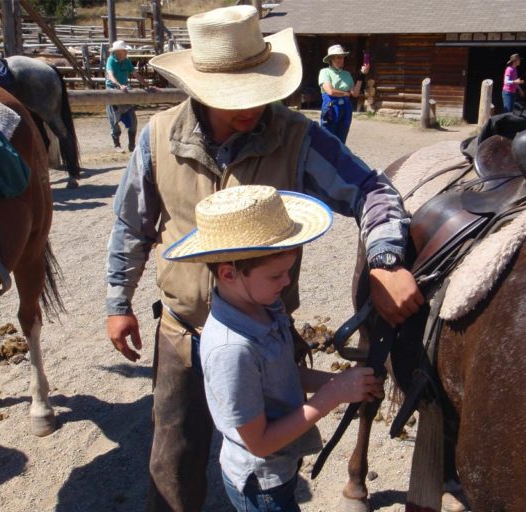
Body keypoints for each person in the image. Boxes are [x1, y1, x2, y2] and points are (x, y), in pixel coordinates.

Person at [105, 5, 422, 511]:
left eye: (257, 90)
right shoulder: (158, 137)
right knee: (173, 460)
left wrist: (384, 259)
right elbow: (132, 225)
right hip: (182, 330)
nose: (250, 108)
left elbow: (371, 189)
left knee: (272, 459)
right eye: (234, 97)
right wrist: (118, 300)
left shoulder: (296, 136)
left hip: (266, 332)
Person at [164, 185, 385, 511]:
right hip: (261, 484)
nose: (286, 282)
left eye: (289, 272)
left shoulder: (264, 306)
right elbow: (260, 442)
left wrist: (337, 381)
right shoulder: (231, 351)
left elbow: (280, 374)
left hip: (280, 466)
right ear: (229, 274)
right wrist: (334, 394)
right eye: (276, 275)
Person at [318, 44, 369, 144]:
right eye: (338, 57)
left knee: (341, 140)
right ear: (331, 59)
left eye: (342, 57)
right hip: (331, 108)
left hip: (346, 109)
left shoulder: (347, 74)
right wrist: (345, 94)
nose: (341, 59)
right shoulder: (325, 72)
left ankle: (338, 159)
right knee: (327, 138)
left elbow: (355, 93)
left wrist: (362, 75)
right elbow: (330, 91)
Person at [105, 40, 146, 153]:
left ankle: (132, 145)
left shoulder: (127, 62)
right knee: (114, 120)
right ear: (119, 51)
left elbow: (135, 74)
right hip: (113, 91)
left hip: (125, 91)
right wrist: (119, 85)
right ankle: (116, 144)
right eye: (125, 50)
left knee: (133, 121)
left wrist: (145, 84)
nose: (126, 52)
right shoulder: (110, 60)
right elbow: (111, 75)